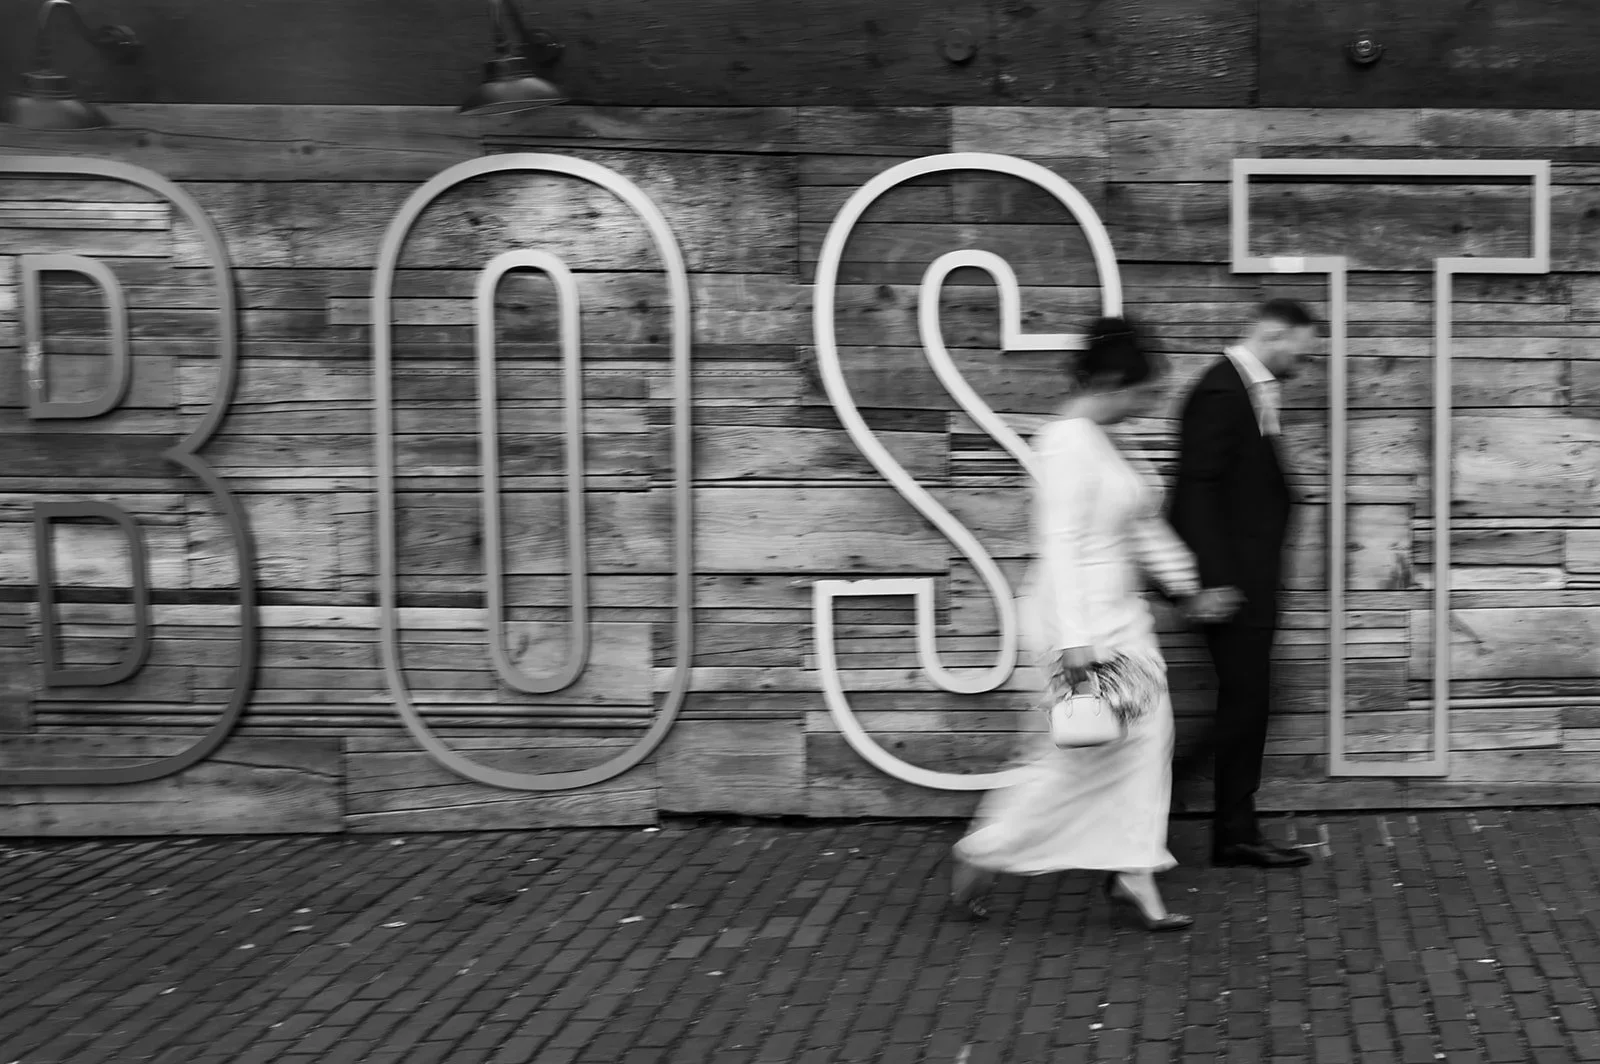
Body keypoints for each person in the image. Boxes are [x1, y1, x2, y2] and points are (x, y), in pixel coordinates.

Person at [949, 316, 1239, 931]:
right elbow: (1059, 547)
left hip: (1125, 621)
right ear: (1110, 379)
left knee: (1148, 743)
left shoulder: (1111, 437)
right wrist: (1077, 646)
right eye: (1141, 393)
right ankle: (986, 850)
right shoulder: (1063, 443)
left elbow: (1140, 521)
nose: (1146, 407)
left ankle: (1134, 872)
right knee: (1082, 758)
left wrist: (1190, 587)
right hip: (1073, 626)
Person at [1168, 298, 1319, 869]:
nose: (1301, 366)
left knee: (1248, 701)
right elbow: (1194, 493)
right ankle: (1184, 804)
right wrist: (1212, 583)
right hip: (1232, 586)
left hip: (1248, 579)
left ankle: (1233, 828)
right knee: (1247, 701)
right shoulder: (1219, 391)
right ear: (1275, 334)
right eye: (1299, 353)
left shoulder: (1247, 390)